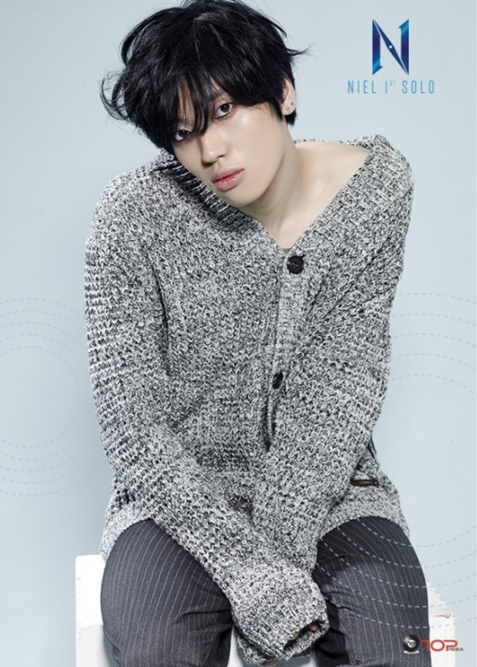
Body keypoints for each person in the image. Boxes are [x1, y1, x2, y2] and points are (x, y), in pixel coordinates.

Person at [84, 1, 431, 665]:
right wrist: (253, 577)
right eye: (183, 132)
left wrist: (277, 560)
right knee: (159, 650)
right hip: (175, 501)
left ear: (283, 93)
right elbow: (132, 425)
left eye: (223, 110)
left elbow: (341, 383)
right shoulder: (132, 215)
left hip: (332, 491)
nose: (209, 149)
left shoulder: (376, 190)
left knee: (392, 647)